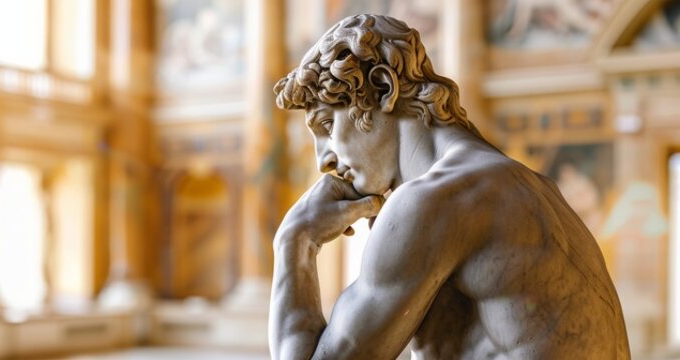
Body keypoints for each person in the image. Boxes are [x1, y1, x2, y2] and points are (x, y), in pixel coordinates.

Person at [269, 14, 629, 359]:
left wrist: (295, 240)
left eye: (328, 126)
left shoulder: (431, 203)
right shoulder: (533, 188)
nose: (323, 162)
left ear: (382, 88)